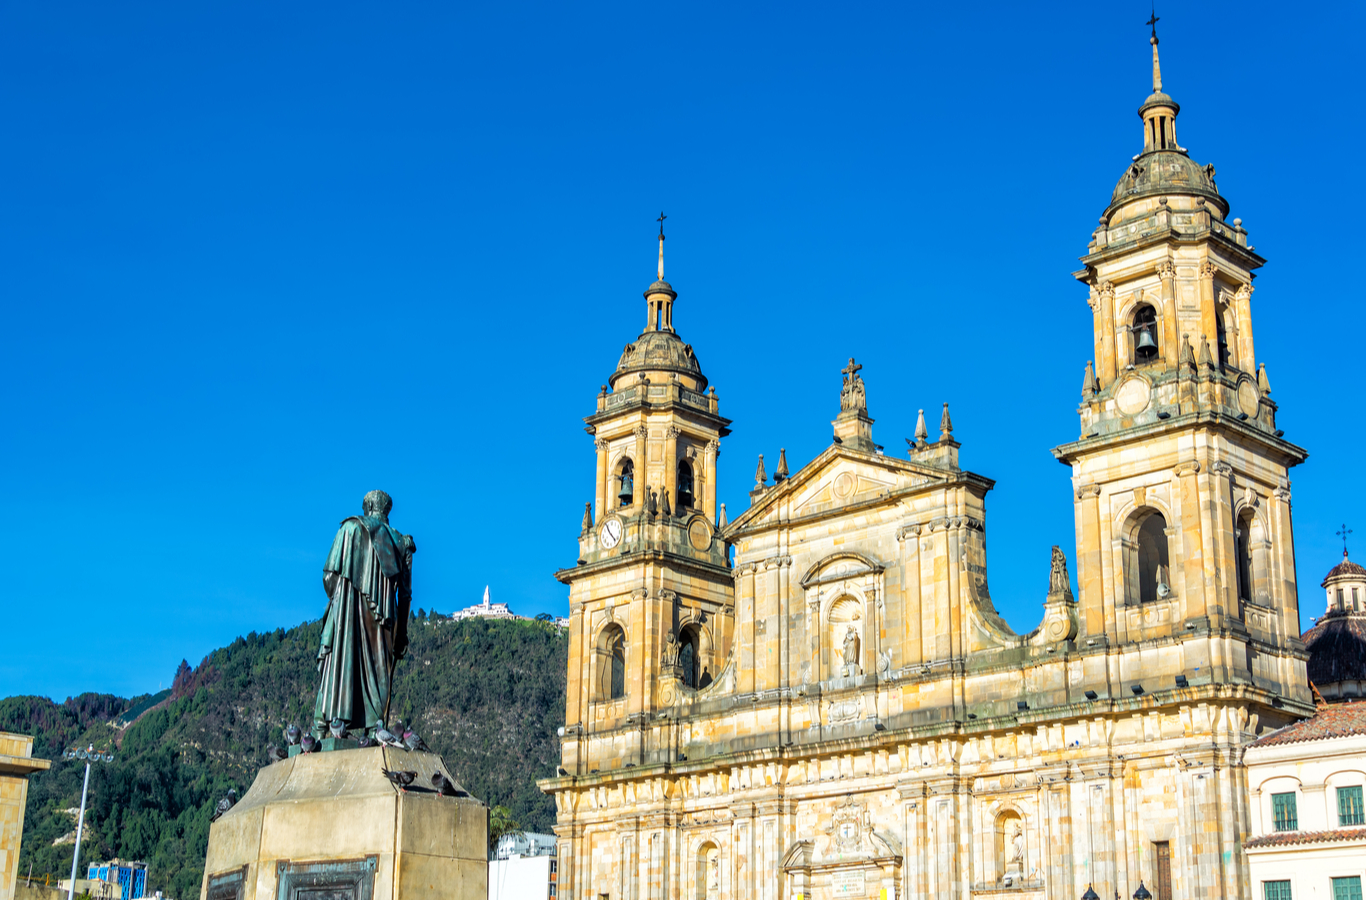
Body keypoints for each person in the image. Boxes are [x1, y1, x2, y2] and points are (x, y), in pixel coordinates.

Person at [313, 490, 415, 736]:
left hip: (348, 612)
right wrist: (401, 634)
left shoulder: (350, 529)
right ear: (387, 510)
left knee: (341, 662)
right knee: (379, 672)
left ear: (367, 507)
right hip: (385, 621)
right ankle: (373, 728)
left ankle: (328, 722)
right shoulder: (402, 544)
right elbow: (405, 595)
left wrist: (342, 595)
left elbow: (329, 578)